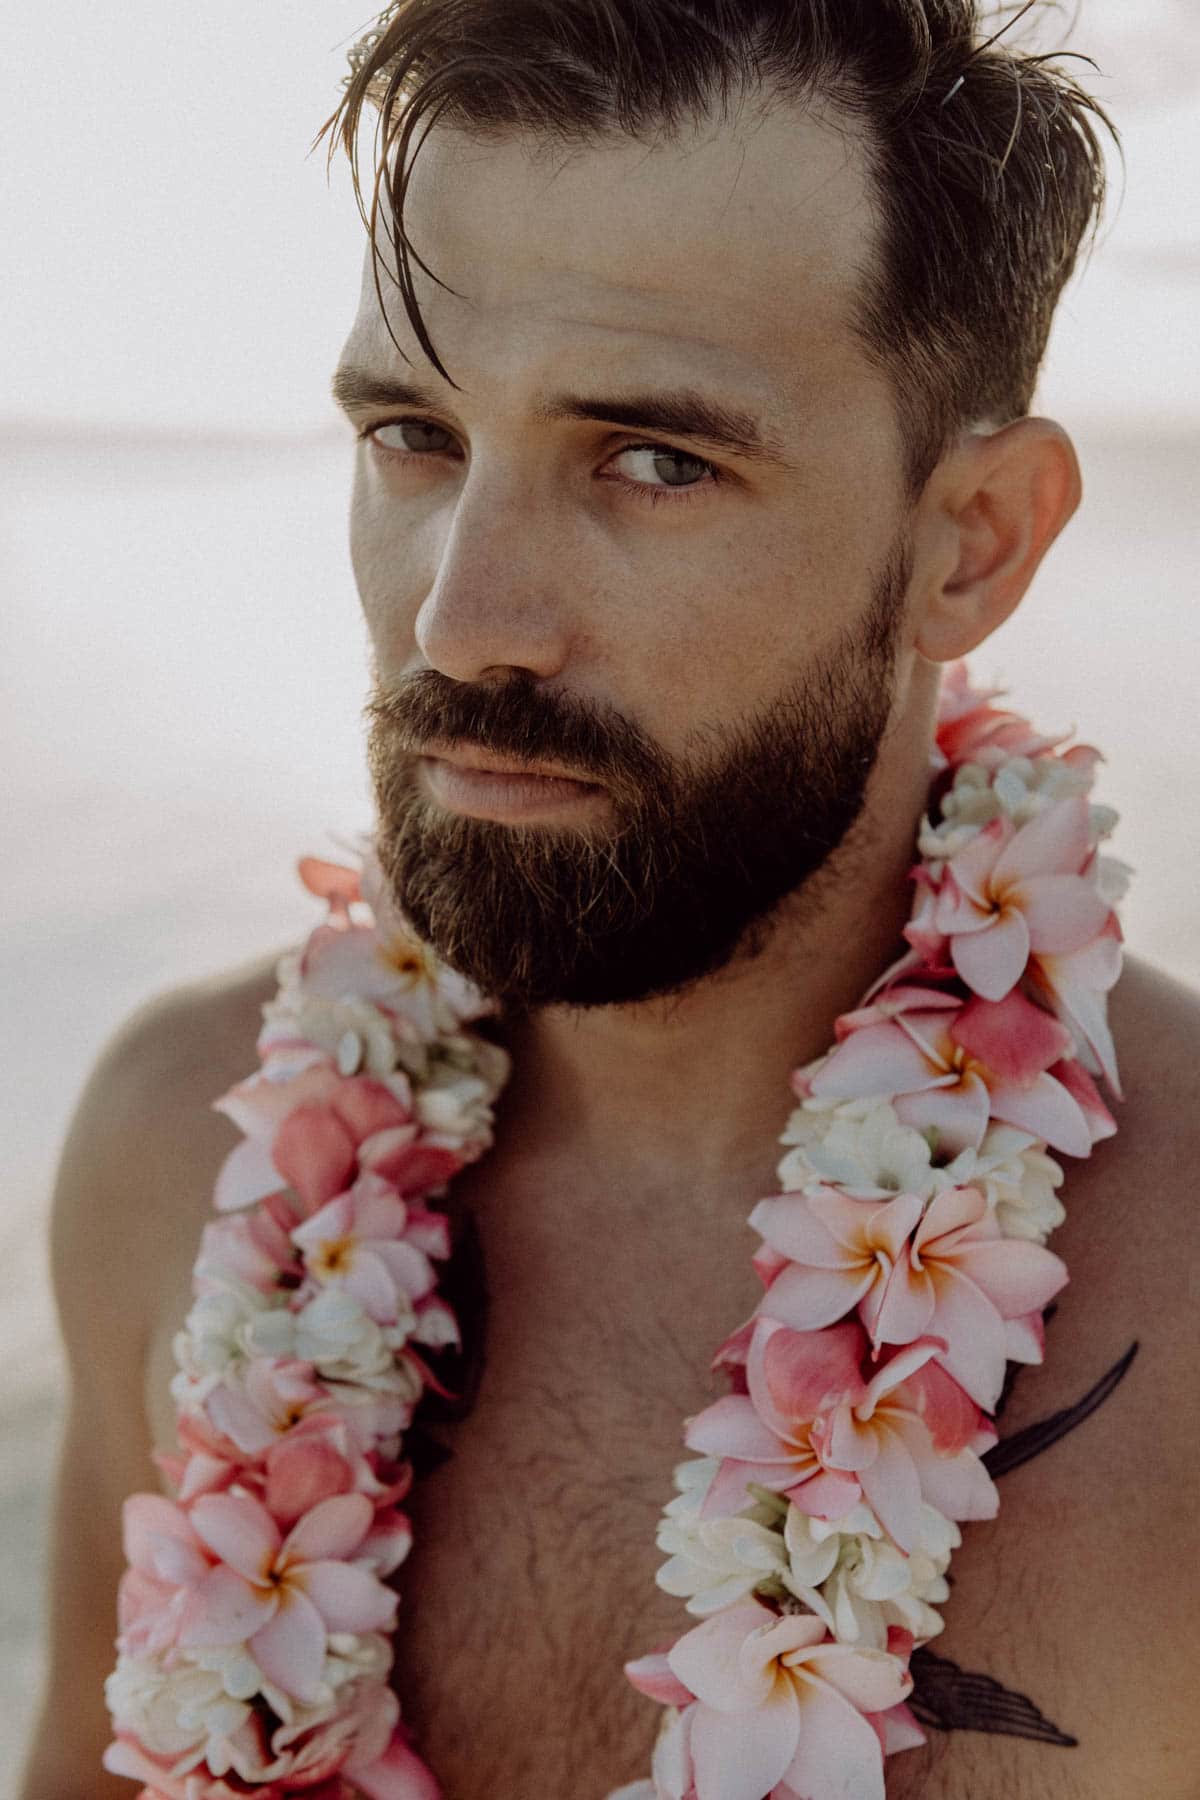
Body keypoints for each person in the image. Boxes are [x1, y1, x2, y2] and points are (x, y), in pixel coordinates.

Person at [18, 3, 1200, 1796]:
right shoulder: (175, 1151)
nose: (462, 621)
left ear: (970, 543)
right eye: (414, 434)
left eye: (657, 461)